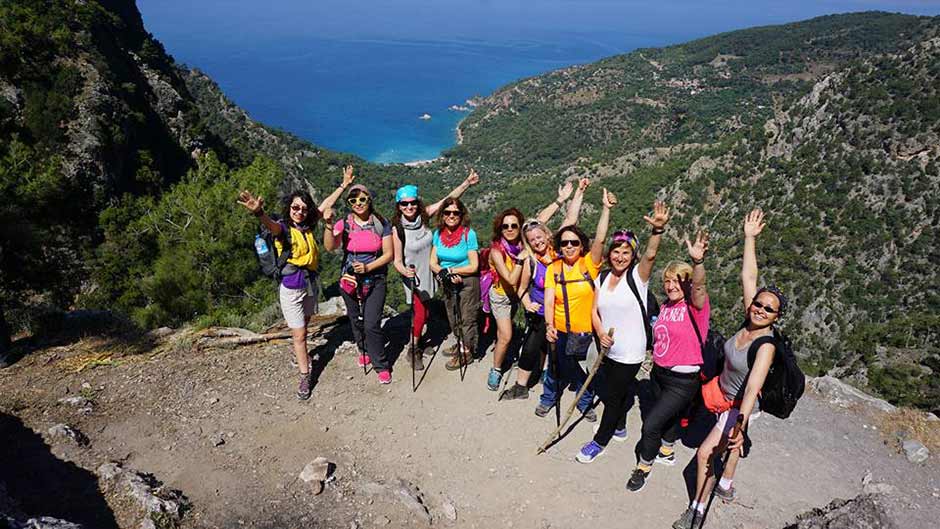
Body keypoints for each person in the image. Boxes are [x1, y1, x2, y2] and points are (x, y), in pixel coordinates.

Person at [672, 209, 785, 529]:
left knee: (705, 453)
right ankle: (726, 484)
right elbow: (748, 278)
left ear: (777, 317)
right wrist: (750, 238)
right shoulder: (750, 319)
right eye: (758, 304)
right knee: (733, 441)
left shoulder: (765, 346)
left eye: (769, 309)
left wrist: (739, 422)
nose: (760, 309)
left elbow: (751, 389)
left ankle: (696, 509)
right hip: (726, 397)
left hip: (739, 405)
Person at [237, 165, 353, 399]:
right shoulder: (283, 229)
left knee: (306, 324)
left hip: (310, 284)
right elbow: (271, 225)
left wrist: (344, 185)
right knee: (299, 335)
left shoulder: (307, 225)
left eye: (302, 207)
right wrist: (259, 213)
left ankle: (300, 352)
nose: (299, 211)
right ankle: (305, 375)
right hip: (291, 288)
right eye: (295, 207)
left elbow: (323, 206)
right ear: (289, 209)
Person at [576, 201, 670, 463]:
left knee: (612, 396)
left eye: (626, 252)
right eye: (616, 251)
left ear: (633, 256)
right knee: (615, 389)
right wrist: (600, 332)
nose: (620, 256)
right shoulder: (603, 278)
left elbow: (650, 256)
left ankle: (600, 441)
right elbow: (595, 310)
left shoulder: (637, 278)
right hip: (609, 348)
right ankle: (619, 427)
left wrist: (657, 232)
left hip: (630, 351)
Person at [627, 229, 710, 492]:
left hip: (683, 380)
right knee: (670, 414)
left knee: (651, 423)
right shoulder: (666, 307)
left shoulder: (696, 307)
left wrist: (697, 263)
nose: (671, 286)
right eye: (667, 281)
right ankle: (667, 448)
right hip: (659, 373)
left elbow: (699, 288)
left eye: (677, 281)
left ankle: (643, 465)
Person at [484, 180, 578, 391]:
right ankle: (496, 369)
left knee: (537, 335)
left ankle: (540, 367)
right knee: (506, 336)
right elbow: (510, 279)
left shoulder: (525, 240)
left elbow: (540, 222)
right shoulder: (498, 251)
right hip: (502, 294)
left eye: (514, 225)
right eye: (505, 226)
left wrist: (560, 200)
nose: (510, 229)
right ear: (500, 228)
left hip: (522, 295)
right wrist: (522, 259)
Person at [537, 188, 615, 422]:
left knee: (583, 370)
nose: (569, 246)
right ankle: (548, 398)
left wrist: (606, 209)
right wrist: (549, 325)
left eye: (574, 242)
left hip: (584, 330)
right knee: (555, 367)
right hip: (559, 329)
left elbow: (601, 239)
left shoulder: (589, 265)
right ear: (559, 247)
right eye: (564, 243)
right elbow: (549, 299)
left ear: (581, 245)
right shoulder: (554, 269)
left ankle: (584, 401)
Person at [392, 169, 480, 371]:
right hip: (413, 277)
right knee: (420, 314)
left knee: (426, 311)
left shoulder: (423, 218)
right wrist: (405, 271)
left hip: (431, 273)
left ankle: (421, 342)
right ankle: (413, 349)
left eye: (412, 202)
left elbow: (448, 201)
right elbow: (396, 260)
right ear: (399, 206)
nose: (409, 207)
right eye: (404, 204)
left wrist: (466, 182)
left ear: (418, 203)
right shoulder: (397, 229)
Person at [322, 170, 395, 384]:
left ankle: (380, 363)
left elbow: (389, 254)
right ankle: (363, 350)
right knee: (355, 319)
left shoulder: (381, 223)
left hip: (376, 278)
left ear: (369, 200)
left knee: (372, 323)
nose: (358, 203)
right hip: (350, 279)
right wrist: (328, 225)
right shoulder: (344, 224)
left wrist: (368, 266)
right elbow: (329, 246)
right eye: (353, 199)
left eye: (362, 198)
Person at [429, 198, 480, 372]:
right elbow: (433, 262)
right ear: (442, 215)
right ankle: (460, 343)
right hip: (448, 281)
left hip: (467, 281)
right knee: (452, 315)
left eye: (455, 213)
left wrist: (450, 270)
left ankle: (467, 352)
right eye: (447, 212)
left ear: (461, 215)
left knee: (467, 317)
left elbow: (474, 265)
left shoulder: (468, 234)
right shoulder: (438, 234)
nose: (451, 216)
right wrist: (444, 273)